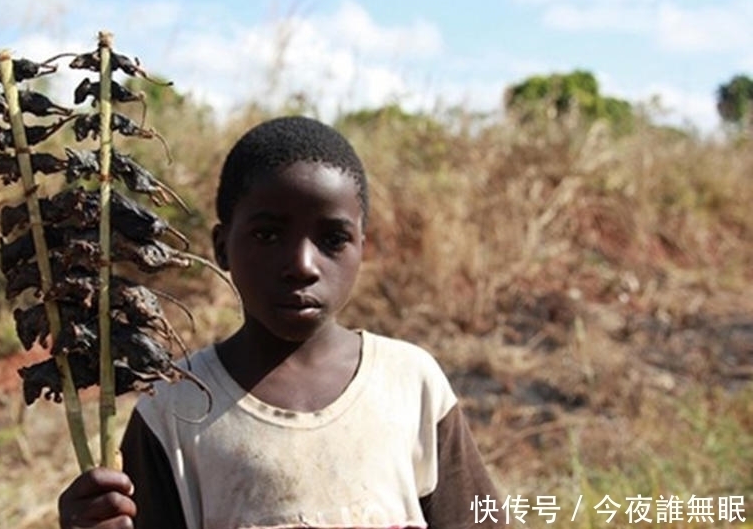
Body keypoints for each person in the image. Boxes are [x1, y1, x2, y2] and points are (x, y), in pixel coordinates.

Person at [58, 116, 505, 529]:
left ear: (362, 249)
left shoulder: (411, 383)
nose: (302, 265)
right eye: (268, 235)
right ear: (222, 248)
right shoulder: (173, 409)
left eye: (333, 239)